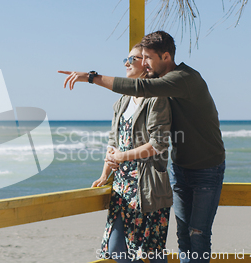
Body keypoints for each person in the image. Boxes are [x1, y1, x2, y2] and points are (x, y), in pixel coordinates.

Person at [59, 31, 225, 263]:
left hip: (206, 169)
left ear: (165, 56)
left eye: (146, 58)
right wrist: (106, 171)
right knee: (182, 237)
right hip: (178, 169)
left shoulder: (182, 79)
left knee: (196, 235)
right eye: (141, 58)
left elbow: (142, 92)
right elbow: (115, 137)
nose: (143, 63)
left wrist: (90, 77)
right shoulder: (142, 93)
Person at [91, 45, 172, 263]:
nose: (126, 63)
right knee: (115, 247)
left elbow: (159, 145)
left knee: (149, 253)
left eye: (132, 59)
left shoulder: (156, 98)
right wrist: (104, 173)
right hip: (121, 187)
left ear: (145, 65)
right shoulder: (121, 101)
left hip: (148, 188)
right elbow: (113, 142)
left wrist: (121, 156)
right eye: (125, 59)